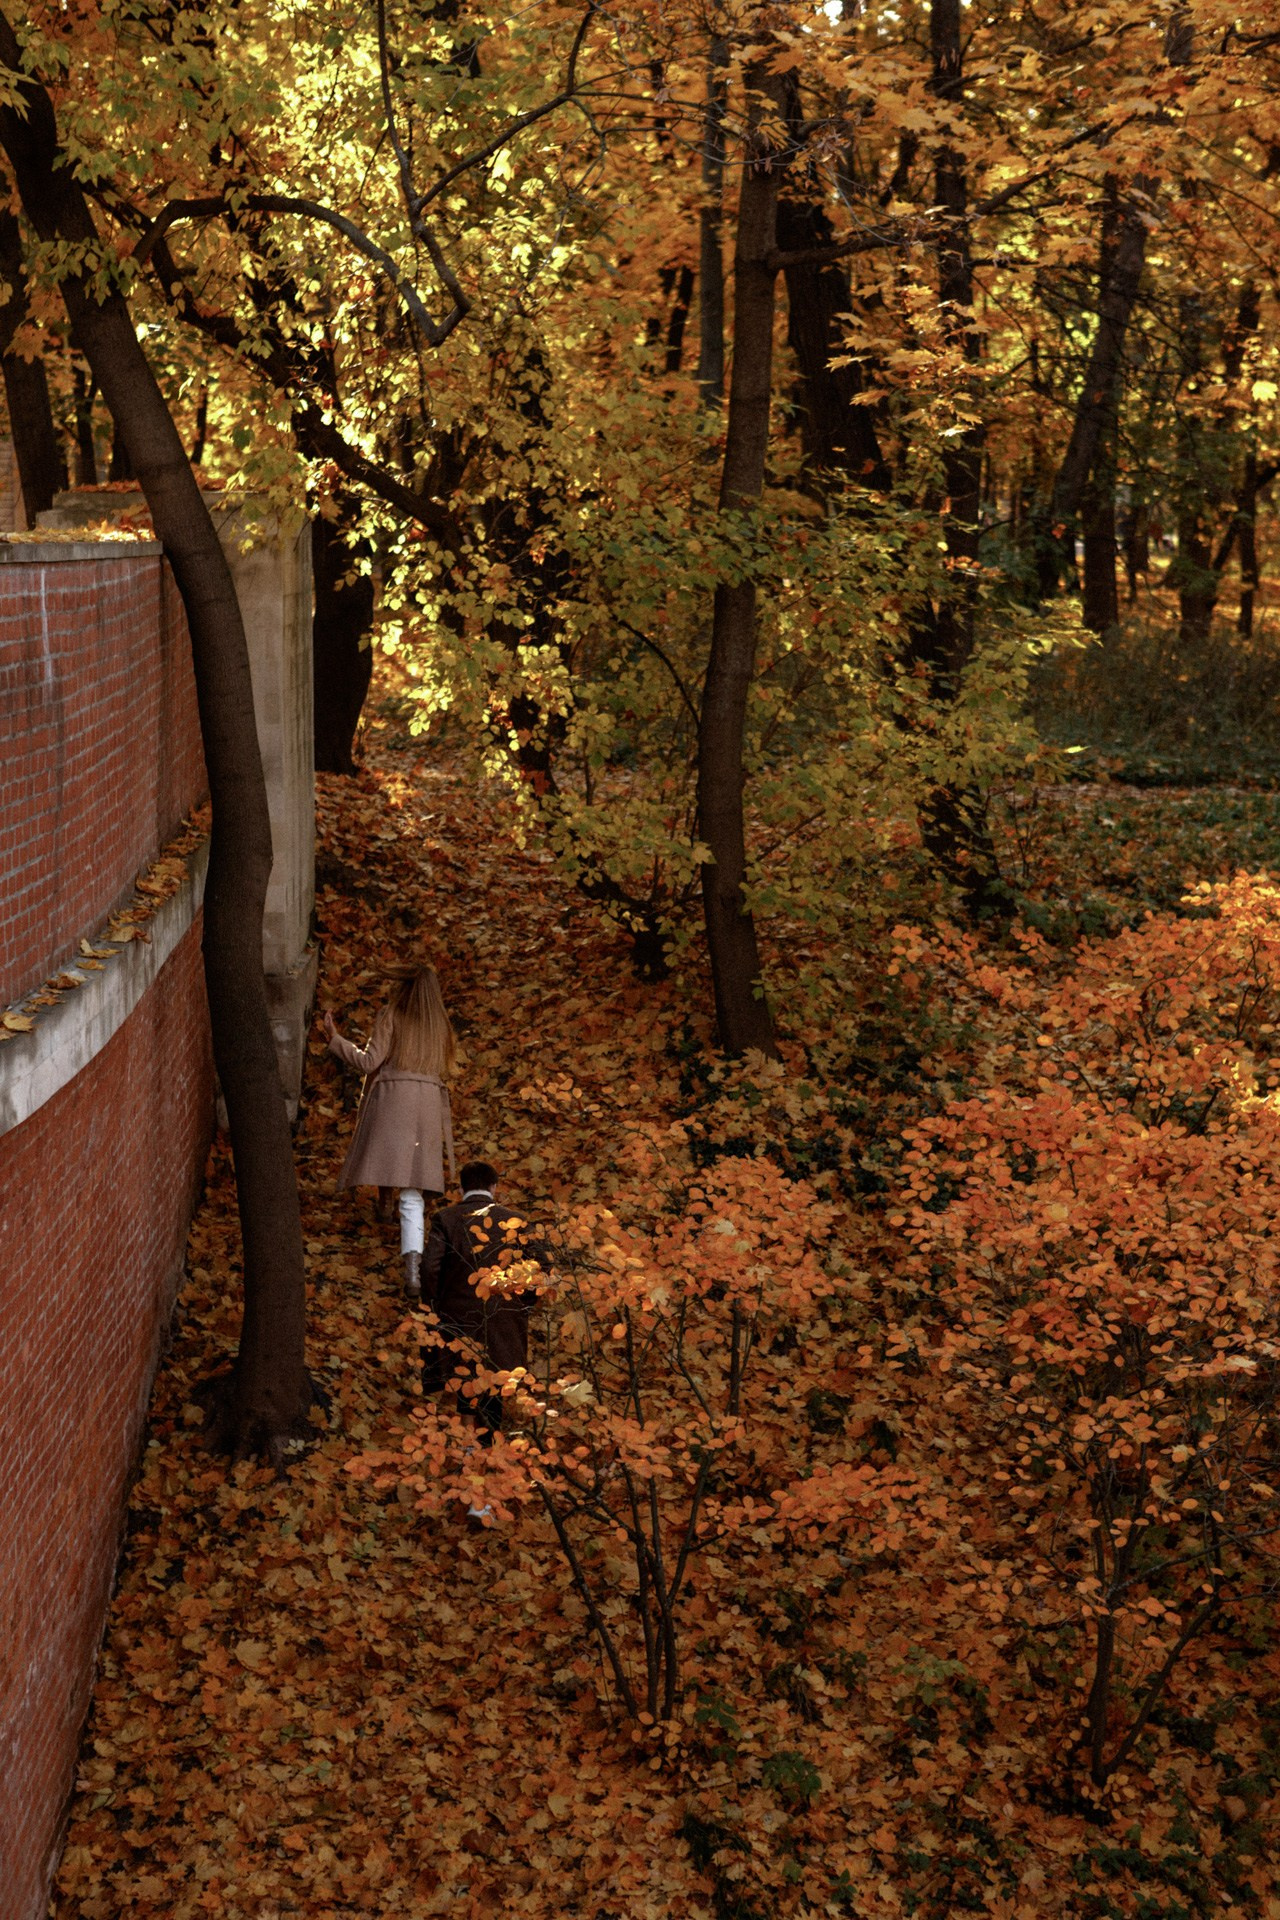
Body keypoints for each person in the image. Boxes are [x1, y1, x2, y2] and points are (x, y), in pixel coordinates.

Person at [325, 965, 457, 1297]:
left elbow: (369, 1062)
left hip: (393, 1097)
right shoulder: (439, 1026)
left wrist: (335, 1040)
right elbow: (446, 1067)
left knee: (389, 1156)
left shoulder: (392, 1014)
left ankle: (384, 1207)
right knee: (412, 1189)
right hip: (427, 1104)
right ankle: (412, 1272)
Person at [419, 1160, 550, 1441]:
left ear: (461, 1187)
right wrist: (523, 1303)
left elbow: (430, 1267)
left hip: (457, 1311)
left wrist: (434, 1303)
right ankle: (489, 1442)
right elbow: (543, 1269)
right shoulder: (515, 1221)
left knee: (466, 1374)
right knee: (496, 1374)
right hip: (504, 1311)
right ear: (494, 1186)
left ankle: (469, 1447)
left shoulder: (446, 1219)